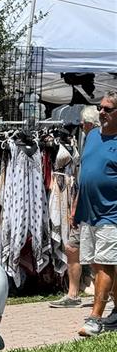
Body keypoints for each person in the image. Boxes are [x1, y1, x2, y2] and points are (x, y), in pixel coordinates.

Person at [74, 90, 117, 337]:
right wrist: (76, 206)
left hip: (112, 213)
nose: (101, 112)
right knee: (98, 263)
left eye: (107, 109)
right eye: (100, 108)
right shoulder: (91, 137)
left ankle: (95, 318)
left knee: (106, 265)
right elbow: (86, 173)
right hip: (88, 213)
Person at [49, 105, 99, 307]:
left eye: (83, 122)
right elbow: (84, 179)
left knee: (98, 255)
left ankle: (105, 295)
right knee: (71, 247)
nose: (80, 125)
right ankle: (73, 294)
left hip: (100, 210)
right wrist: (75, 207)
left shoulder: (101, 141)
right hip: (84, 206)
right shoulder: (89, 142)